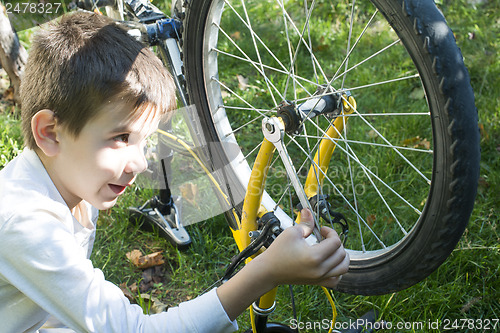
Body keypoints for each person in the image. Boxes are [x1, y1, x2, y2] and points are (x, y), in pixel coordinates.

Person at [0, 11, 349, 333]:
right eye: (121, 138)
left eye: (143, 141)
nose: (140, 164)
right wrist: (265, 272)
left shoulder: (68, 180)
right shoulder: (25, 222)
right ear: (49, 133)